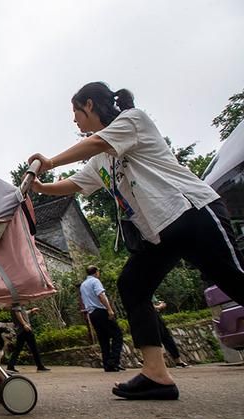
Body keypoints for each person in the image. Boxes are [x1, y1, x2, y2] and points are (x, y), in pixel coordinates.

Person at [28, 81, 244, 400]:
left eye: (75, 111)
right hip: (160, 233)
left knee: (234, 281)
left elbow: (97, 143)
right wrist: (43, 187)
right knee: (132, 285)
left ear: (89, 105)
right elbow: (76, 182)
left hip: (192, 212)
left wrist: (50, 162)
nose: (74, 120)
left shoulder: (132, 120)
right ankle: (157, 375)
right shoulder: (102, 160)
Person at [78, 266, 124, 372]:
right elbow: (101, 295)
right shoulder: (95, 281)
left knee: (103, 339)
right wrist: (109, 309)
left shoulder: (83, 285)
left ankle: (107, 364)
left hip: (92, 314)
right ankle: (114, 361)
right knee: (117, 335)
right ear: (96, 272)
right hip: (101, 311)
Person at [6, 304, 50, 373]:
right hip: (25, 330)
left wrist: (31, 311)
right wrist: (24, 324)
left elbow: (23, 313)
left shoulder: (19, 305)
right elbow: (18, 313)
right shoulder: (16, 304)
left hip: (21, 330)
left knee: (18, 348)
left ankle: (10, 366)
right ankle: (40, 366)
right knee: (34, 348)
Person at [153, 297, 189, 368]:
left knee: (166, 337)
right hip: (150, 317)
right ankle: (149, 362)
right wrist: (159, 306)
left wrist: (158, 304)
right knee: (159, 338)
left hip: (154, 315)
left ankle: (178, 361)